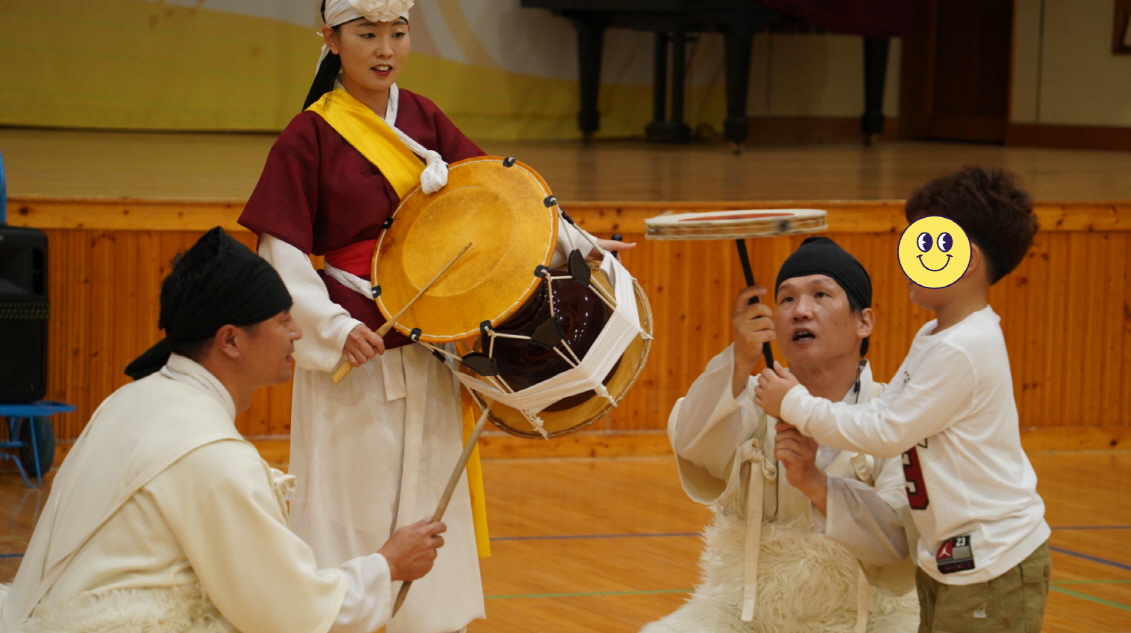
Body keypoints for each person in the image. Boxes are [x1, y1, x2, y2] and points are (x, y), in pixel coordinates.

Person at [237, 2, 628, 632]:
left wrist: (575, 243)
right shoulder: (307, 135)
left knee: (427, 495)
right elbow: (280, 251)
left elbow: (502, 202)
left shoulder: (422, 117)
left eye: (397, 33)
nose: (384, 48)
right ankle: (342, 619)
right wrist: (334, 329)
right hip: (360, 347)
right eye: (367, 34)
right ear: (331, 40)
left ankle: (430, 623)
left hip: (436, 338)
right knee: (349, 502)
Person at [0, 227, 447, 633]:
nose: (295, 333)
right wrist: (386, 565)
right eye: (281, 320)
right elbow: (288, 612)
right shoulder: (210, 453)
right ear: (230, 340)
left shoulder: (130, 400)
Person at [756, 166, 1049, 633]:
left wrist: (793, 405)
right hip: (949, 557)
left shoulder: (964, 347)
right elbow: (886, 411)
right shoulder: (936, 334)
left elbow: (886, 432)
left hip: (994, 562)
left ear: (964, 259)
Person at [644, 237, 918, 633]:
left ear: (864, 321)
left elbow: (896, 542)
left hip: (872, 620)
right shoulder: (749, 397)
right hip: (740, 616)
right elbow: (693, 445)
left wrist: (816, 483)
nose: (800, 311)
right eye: (786, 299)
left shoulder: (896, 414)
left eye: (821, 294)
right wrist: (739, 358)